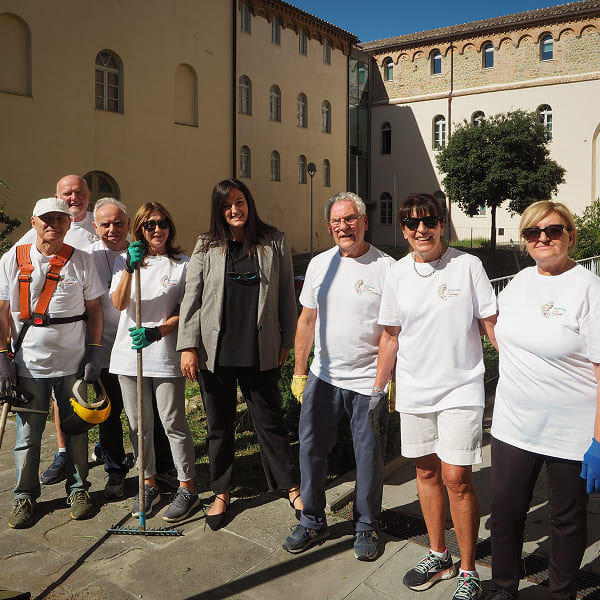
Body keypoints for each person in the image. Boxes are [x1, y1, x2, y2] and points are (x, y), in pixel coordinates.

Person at [374, 193, 497, 600]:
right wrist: (378, 389)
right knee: (425, 473)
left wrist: (518, 371)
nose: (420, 230)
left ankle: (467, 569)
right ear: (404, 230)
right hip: (413, 389)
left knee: (457, 478)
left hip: (461, 387)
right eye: (411, 224)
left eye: (428, 222)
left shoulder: (468, 266)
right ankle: (438, 553)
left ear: (442, 224)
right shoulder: (397, 273)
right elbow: (390, 336)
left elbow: (490, 324)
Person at [486, 201, 600, 600]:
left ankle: (560, 594)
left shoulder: (590, 289)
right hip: (513, 426)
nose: (543, 238)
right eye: (533, 232)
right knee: (504, 515)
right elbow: (501, 337)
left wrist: (599, 441)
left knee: (566, 520)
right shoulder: (518, 283)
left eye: (553, 230)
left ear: (571, 234)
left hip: (570, 432)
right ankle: (503, 589)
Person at [177, 178, 301, 531]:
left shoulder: (273, 240)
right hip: (214, 351)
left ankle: (290, 486)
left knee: (270, 422)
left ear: (249, 203)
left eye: (240, 201)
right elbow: (192, 298)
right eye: (227, 204)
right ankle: (221, 492)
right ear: (219, 210)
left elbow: (285, 295)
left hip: (259, 348)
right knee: (218, 426)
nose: (235, 209)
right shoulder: (207, 244)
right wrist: (187, 346)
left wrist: (286, 341)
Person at [280, 191, 395, 561]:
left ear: (364, 222)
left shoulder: (388, 269)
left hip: (367, 383)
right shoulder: (320, 265)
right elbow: (307, 320)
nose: (344, 227)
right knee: (311, 449)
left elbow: (395, 332)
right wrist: (299, 373)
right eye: (336, 222)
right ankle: (312, 520)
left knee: (368, 456)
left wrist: (388, 381)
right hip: (323, 376)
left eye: (350, 219)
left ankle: (366, 524)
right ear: (329, 227)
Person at [0, 197, 104, 528]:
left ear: (69, 223)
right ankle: (24, 496)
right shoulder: (12, 260)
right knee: (28, 435)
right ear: (33, 223)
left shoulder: (82, 260)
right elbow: (2, 312)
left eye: (60, 219)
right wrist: (2, 358)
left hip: (73, 365)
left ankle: (78, 489)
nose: (53, 225)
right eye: (46, 219)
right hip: (29, 364)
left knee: (75, 432)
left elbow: (96, 309)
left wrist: (94, 351)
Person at [110, 202, 199, 523]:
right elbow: (119, 303)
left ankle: (187, 487)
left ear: (170, 227)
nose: (157, 229)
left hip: (163, 354)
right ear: (140, 230)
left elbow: (189, 313)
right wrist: (130, 269)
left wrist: (158, 331)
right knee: (138, 425)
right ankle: (147, 485)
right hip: (128, 355)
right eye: (149, 225)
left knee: (172, 423)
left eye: (162, 223)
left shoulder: (183, 265)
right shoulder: (127, 261)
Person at [87, 197, 178, 499]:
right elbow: (115, 301)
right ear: (95, 227)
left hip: (147, 342)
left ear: (128, 226)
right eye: (105, 224)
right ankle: (122, 472)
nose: (112, 229)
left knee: (158, 415)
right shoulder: (93, 255)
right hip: (112, 346)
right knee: (120, 416)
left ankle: (162, 469)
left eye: (118, 223)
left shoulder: (163, 258)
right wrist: (128, 266)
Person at [17, 175, 100, 487]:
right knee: (44, 417)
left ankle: (99, 458)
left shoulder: (100, 223)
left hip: (98, 332)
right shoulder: (26, 243)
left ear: (88, 196)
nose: (74, 197)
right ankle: (59, 458)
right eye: (68, 193)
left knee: (92, 406)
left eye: (80, 192)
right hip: (43, 348)